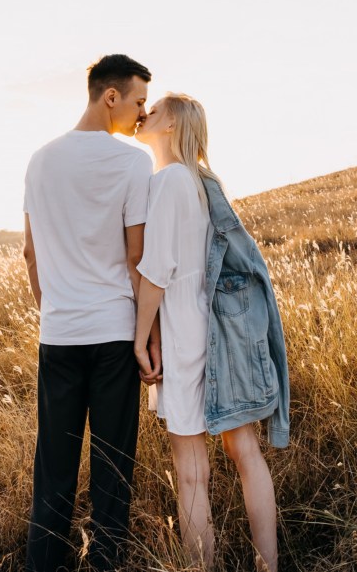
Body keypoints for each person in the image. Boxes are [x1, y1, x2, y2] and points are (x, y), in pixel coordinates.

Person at [132, 92, 288, 572]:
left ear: (173, 124)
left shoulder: (170, 180)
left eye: (153, 109)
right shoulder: (201, 181)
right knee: (244, 451)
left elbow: (157, 271)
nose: (144, 113)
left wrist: (141, 338)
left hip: (182, 333)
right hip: (218, 327)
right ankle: (268, 565)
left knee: (192, 474)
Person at [21, 53, 161, 572]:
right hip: (113, 336)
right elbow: (135, 259)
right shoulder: (131, 163)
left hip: (59, 334)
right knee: (112, 467)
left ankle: (43, 565)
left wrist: (55, 310)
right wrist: (149, 340)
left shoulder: (40, 159)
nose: (141, 114)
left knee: (53, 467)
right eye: (138, 100)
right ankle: (104, 563)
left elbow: (30, 253)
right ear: (111, 97)